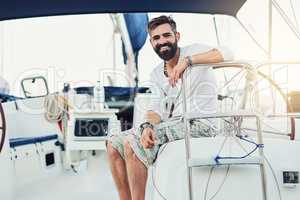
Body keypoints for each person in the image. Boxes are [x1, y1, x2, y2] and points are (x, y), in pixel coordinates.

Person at [106, 15, 233, 200]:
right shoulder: (157, 73)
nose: (162, 41)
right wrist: (148, 126)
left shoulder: (194, 50)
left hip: (202, 125)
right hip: (176, 123)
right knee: (113, 144)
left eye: (167, 35)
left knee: (131, 143)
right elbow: (155, 109)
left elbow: (228, 52)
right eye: (156, 38)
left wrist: (188, 62)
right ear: (151, 43)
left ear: (177, 36)